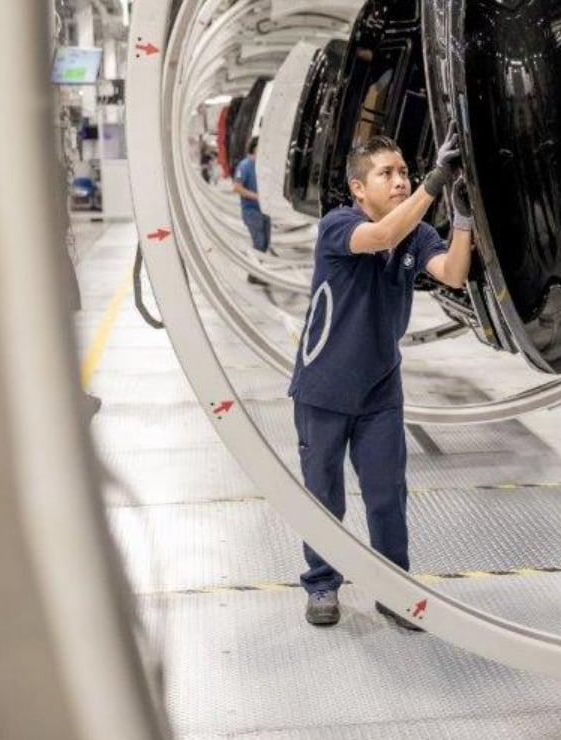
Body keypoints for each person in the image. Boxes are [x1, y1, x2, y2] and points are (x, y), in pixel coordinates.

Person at [287, 128, 474, 630]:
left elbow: (453, 274)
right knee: (324, 493)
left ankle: (395, 590)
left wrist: (462, 217)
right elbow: (382, 236)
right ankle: (322, 583)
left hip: (379, 389)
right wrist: (434, 182)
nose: (398, 181)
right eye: (386, 174)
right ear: (357, 188)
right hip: (323, 386)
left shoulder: (417, 234)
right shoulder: (338, 226)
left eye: (403, 173)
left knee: (387, 493)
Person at [232, 137, 273, 283]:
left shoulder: (262, 166)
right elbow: (237, 187)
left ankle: (256, 273)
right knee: (259, 242)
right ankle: (255, 274)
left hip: (264, 210)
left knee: (266, 242)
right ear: (255, 148)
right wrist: (256, 196)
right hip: (251, 211)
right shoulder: (245, 166)